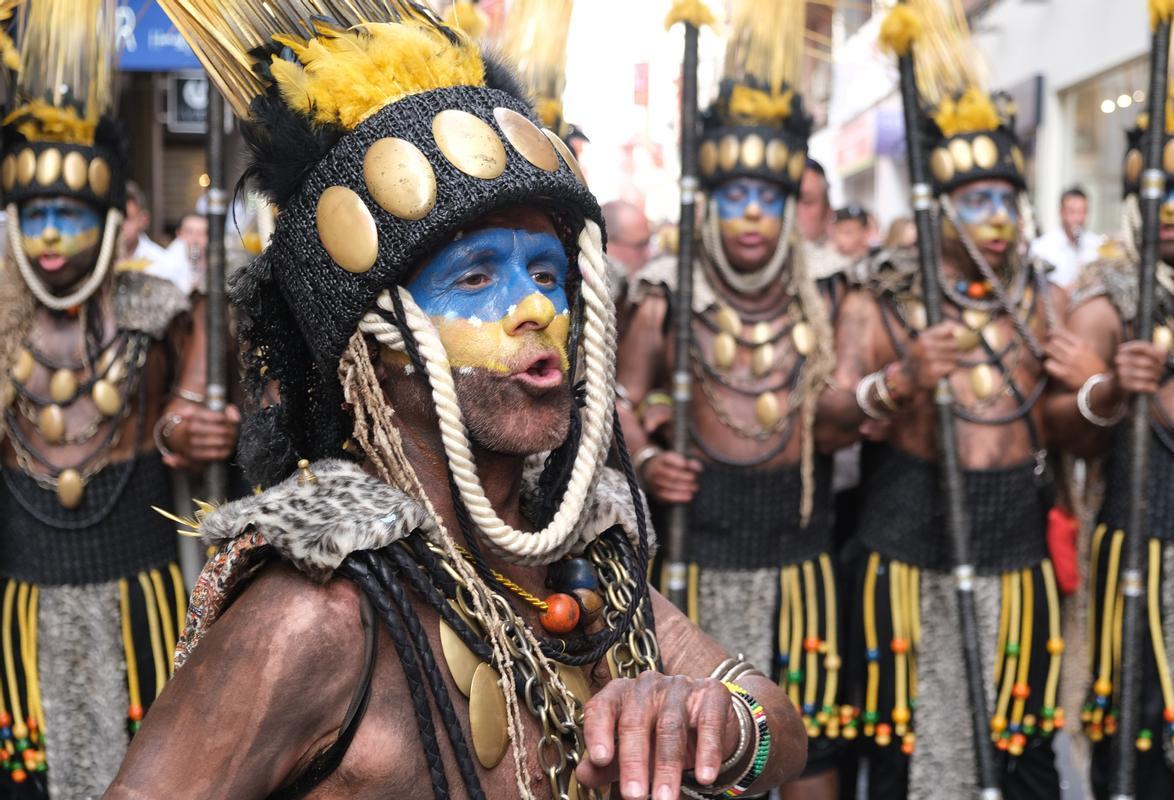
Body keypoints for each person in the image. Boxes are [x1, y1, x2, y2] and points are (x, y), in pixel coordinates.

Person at [106, 3, 809, 798]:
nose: (536, 309)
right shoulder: (319, 615)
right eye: (475, 277)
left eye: (547, 274)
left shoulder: (577, 563)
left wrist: (718, 723)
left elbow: (783, 731)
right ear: (372, 345)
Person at [825, 5, 1068, 796]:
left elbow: (1070, 430)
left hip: (1015, 548)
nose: (996, 220)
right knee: (902, 747)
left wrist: (1095, 397)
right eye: (975, 201)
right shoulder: (883, 297)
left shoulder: (1044, 300)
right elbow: (822, 421)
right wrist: (898, 382)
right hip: (905, 543)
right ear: (938, 207)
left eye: (1006, 200)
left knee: (1019, 744)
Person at [0, 2, 240, 797]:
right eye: (37, 215)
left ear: (109, 216)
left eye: (69, 214)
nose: (51, 239)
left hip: (143, 604)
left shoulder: (161, 313)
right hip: (21, 612)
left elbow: (185, 414)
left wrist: (194, 431)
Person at [618, 2, 845, 797]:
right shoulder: (664, 297)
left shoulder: (828, 296)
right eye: (734, 192)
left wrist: (892, 389)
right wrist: (645, 456)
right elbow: (615, 394)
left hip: (803, 557)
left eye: (769, 195)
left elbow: (847, 408)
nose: (751, 212)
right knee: (705, 760)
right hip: (700, 555)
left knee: (814, 749)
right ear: (707, 200)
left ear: (791, 207)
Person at [1041, 10, 1174, 797]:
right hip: (1138, 557)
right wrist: (1111, 390)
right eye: (1162, 189)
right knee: (1135, 766)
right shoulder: (1109, 296)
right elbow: (1057, 423)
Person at [1030, 187, 1103, 289]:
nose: (1077, 218)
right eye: (1072, 212)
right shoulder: (1042, 247)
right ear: (1061, 212)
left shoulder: (1097, 245)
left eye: (1082, 212)